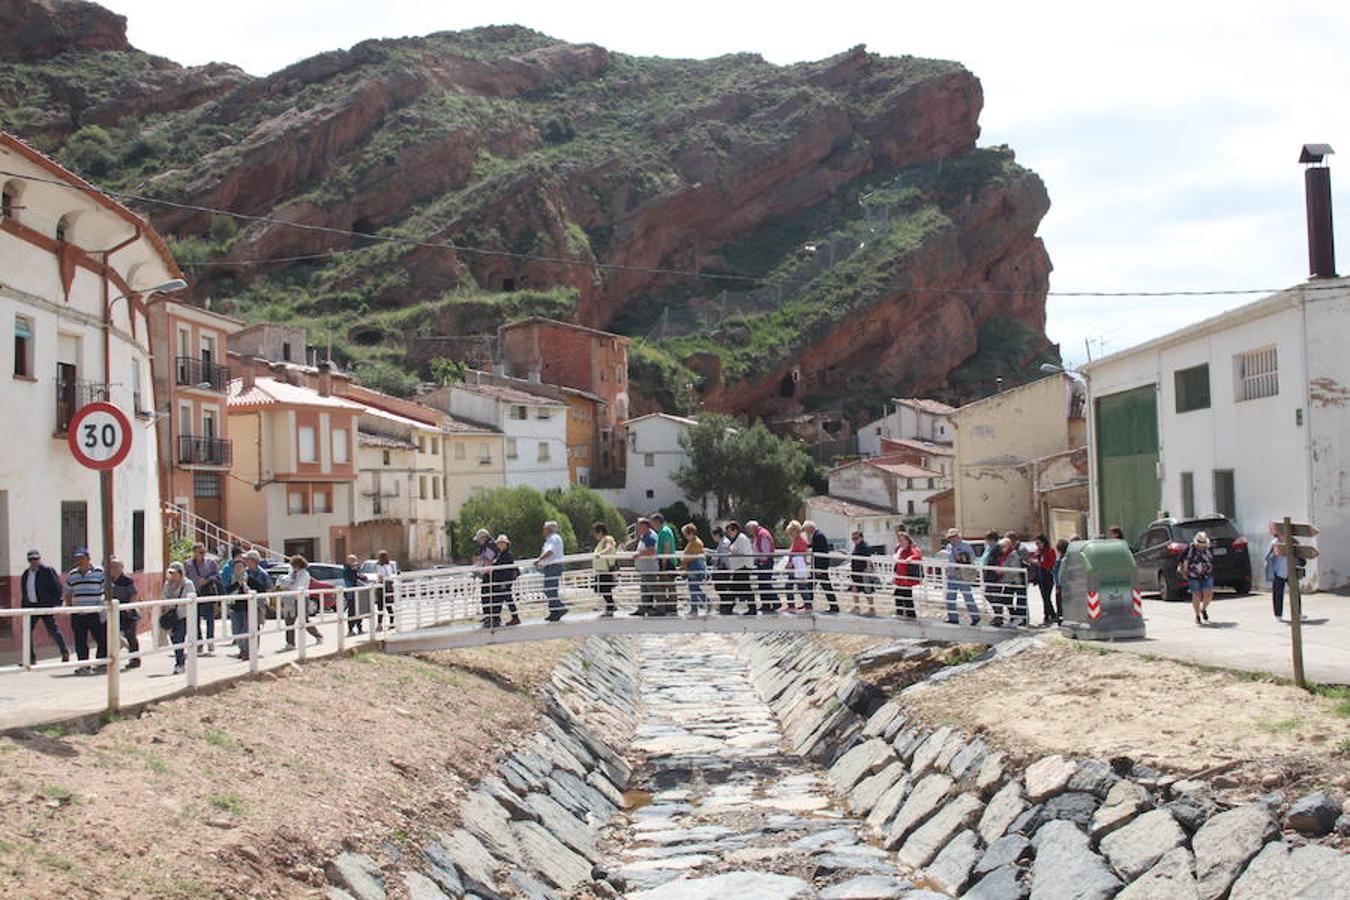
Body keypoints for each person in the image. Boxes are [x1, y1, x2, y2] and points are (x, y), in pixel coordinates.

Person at [20, 549, 69, 665]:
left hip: (45, 605)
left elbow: (57, 587)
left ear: (39, 559)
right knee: (27, 631)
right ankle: (30, 658)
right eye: (31, 559)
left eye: (35, 559)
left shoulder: (47, 571)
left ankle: (64, 652)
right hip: (31, 606)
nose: (33, 562)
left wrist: (56, 602)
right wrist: (23, 607)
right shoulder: (26, 574)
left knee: (53, 630)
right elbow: (25, 591)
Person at [63, 547, 107, 675]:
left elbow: (107, 589)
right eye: (77, 559)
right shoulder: (72, 575)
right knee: (80, 640)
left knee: (101, 638)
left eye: (81, 558)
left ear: (88, 559)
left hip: (95, 612)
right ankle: (83, 665)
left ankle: (102, 662)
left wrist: (104, 605)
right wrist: (70, 608)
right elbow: (68, 592)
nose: (79, 561)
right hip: (79, 613)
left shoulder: (99, 572)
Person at [184, 543, 222, 655]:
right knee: (195, 619)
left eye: (204, 552)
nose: (203, 554)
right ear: (194, 553)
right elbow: (184, 577)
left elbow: (217, 576)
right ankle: (199, 642)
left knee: (210, 618)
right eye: (200, 552)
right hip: (194, 594)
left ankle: (210, 641)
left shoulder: (211, 563)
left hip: (207, 592)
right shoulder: (188, 564)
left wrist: (207, 580)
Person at [234, 550, 271, 661]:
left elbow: (268, 588)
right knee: (245, 626)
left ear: (253, 561)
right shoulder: (246, 572)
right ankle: (244, 650)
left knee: (254, 626)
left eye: (247, 559)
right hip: (245, 604)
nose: (245, 561)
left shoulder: (262, 574)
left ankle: (252, 651)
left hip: (257, 604)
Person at [279, 555, 324, 647]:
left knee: (304, 620)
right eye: (292, 565)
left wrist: (287, 586)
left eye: (295, 565)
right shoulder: (291, 573)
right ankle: (290, 643)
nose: (293, 567)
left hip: (301, 599)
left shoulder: (304, 574)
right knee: (289, 621)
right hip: (290, 599)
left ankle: (318, 636)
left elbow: (298, 586)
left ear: (300, 565)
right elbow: (284, 582)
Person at [161, 560, 196, 675]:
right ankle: (180, 657)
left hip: (183, 616)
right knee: (174, 639)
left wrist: (173, 603)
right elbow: (164, 596)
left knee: (179, 638)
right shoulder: (167, 584)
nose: (173, 576)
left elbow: (188, 600)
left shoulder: (188, 584)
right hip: (171, 617)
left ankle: (179, 663)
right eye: (171, 573)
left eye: (175, 573)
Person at [106, 556, 140, 670]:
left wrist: (129, 607)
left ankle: (135, 659)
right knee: (110, 634)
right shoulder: (107, 580)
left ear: (121, 568)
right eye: (111, 567)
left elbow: (134, 594)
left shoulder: (127, 580)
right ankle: (109, 658)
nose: (114, 569)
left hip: (127, 612)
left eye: (116, 567)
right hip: (113, 611)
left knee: (131, 635)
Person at [942, 528, 981, 625]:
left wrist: (963, 558)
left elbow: (972, 558)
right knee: (950, 598)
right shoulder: (949, 546)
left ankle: (975, 617)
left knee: (968, 597)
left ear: (958, 536)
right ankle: (953, 618)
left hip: (962, 576)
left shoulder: (966, 545)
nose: (952, 539)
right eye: (950, 537)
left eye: (954, 536)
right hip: (951, 575)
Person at [803, 520, 839, 614]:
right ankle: (809, 604)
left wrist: (820, 568)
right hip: (818, 567)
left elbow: (822, 552)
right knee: (813, 585)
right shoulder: (818, 535)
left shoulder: (819, 536)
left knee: (824, 586)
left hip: (819, 567)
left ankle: (833, 606)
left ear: (810, 528)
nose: (807, 532)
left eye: (806, 530)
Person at [1180, 531, 1216, 625]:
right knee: (1197, 595)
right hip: (1193, 575)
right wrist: (1184, 572)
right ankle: (1197, 615)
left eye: (1203, 544)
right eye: (1200, 544)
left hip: (1207, 574)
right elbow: (1180, 559)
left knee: (1209, 594)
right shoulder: (1190, 548)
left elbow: (1212, 560)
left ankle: (1203, 609)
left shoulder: (1208, 549)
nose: (1201, 546)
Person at [537, 521, 567, 622]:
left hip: (554, 566)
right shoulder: (550, 539)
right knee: (550, 589)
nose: (543, 531)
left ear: (549, 529)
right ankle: (554, 612)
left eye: (544, 528)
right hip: (551, 566)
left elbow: (550, 551)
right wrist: (542, 561)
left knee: (549, 589)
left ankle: (559, 607)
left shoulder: (553, 538)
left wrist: (539, 559)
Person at [747, 521, 779, 613]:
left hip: (765, 563)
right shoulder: (759, 534)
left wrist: (760, 560)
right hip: (763, 562)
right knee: (762, 584)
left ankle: (776, 602)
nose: (749, 532)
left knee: (765, 583)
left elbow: (765, 552)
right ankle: (766, 604)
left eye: (749, 530)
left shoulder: (763, 535)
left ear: (753, 528)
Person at [632, 517, 660, 616]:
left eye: (639, 526)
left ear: (644, 526)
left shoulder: (650, 536)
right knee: (645, 590)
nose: (637, 528)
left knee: (653, 589)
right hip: (645, 568)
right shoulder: (645, 535)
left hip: (649, 568)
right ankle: (644, 608)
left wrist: (638, 555)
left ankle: (661, 608)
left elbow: (651, 550)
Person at [724, 521, 753, 615]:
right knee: (741, 588)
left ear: (735, 530)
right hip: (739, 567)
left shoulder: (741, 539)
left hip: (743, 567)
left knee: (735, 588)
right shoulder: (738, 539)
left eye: (730, 531)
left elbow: (742, 553)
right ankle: (751, 608)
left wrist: (730, 550)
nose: (729, 534)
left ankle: (729, 608)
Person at [679, 523, 709, 615]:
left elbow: (693, 556)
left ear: (691, 533)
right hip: (692, 568)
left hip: (695, 568)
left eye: (686, 534)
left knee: (694, 588)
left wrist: (684, 562)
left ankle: (706, 602)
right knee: (693, 588)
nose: (686, 537)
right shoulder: (693, 542)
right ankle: (695, 608)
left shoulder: (696, 543)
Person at [1029, 534, 1059, 626]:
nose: (1037, 545)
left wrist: (1038, 563)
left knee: (1047, 597)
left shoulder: (1050, 551)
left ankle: (1051, 614)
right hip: (1040, 577)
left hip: (1048, 577)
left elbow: (1050, 564)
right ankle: (1047, 615)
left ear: (1043, 542)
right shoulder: (1038, 552)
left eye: (1038, 543)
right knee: (1044, 597)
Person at [652, 513, 677, 615]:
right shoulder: (663, 531)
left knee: (668, 584)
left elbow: (667, 548)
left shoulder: (664, 531)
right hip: (665, 561)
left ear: (657, 522)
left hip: (667, 562)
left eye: (653, 522)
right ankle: (667, 605)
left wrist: (663, 564)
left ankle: (671, 605)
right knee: (664, 585)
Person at [489, 535, 518, 625]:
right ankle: (497, 618)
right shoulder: (500, 554)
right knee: (501, 599)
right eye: (499, 543)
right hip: (500, 581)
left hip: (504, 581)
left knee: (506, 599)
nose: (500, 545)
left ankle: (514, 618)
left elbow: (506, 569)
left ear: (506, 544)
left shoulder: (507, 554)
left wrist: (505, 582)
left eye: (502, 543)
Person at [893, 531, 922, 619]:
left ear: (907, 540)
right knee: (903, 595)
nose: (901, 542)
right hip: (900, 577)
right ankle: (906, 614)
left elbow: (918, 555)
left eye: (902, 540)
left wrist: (910, 558)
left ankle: (906, 614)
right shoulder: (900, 550)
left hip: (906, 578)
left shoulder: (911, 549)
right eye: (900, 540)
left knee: (904, 595)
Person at [472, 529, 498, 627]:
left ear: (484, 537)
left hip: (492, 575)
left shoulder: (491, 546)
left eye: (479, 539)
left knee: (489, 595)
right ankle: (488, 616)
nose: (478, 541)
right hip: (487, 574)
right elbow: (476, 558)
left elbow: (487, 559)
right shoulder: (485, 547)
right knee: (485, 595)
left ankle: (492, 617)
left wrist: (479, 559)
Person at [592, 523, 619, 617]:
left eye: (595, 533)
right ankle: (610, 606)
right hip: (601, 570)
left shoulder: (607, 539)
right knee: (602, 589)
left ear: (600, 532)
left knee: (605, 589)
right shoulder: (602, 541)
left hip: (605, 569)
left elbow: (609, 547)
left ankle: (611, 607)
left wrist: (600, 554)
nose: (594, 535)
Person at [1265, 525, 1289, 621]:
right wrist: (1275, 553)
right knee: (1278, 593)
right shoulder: (1274, 543)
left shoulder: (1292, 542)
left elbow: (1300, 557)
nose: (1283, 536)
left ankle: (1298, 613)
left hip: (1290, 570)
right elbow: (1267, 557)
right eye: (1281, 534)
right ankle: (1278, 615)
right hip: (1278, 571)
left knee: (1295, 593)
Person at [785, 520, 810, 613]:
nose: (790, 535)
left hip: (797, 567)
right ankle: (803, 605)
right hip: (796, 567)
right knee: (794, 586)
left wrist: (790, 562)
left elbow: (797, 554)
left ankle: (806, 605)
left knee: (799, 586)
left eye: (791, 533)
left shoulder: (800, 541)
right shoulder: (799, 540)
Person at [849, 530, 875, 616]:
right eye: (853, 539)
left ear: (861, 537)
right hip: (856, 572)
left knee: (867, 591)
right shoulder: (857, 546)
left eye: (856, 538)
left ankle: (872, 609)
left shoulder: (864, 546)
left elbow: (868, 559)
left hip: (863, 572)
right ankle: (857, 607)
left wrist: (867, 571)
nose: (854, 540)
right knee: (854, 588)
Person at [374, 550, 399, 630]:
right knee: (388, 606)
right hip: (388, 587)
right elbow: (389, 576)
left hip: (382, 587)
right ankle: (392, 622)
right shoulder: (389, 566)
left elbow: (380, 577)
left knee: (380, 606)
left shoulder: (380, 567)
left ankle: (379, 624)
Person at [342, 554, 365, 635]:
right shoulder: (347, 569)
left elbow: (363, 578)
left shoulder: (357, 569)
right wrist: (356, 572)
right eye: (352, 561)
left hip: (359, 593)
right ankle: (350, 629)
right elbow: (352, 578)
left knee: (359, 610)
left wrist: (361, 575)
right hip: (351, 594)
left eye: (355, 560)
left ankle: (359, 628)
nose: (354, 562)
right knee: (351, 611)